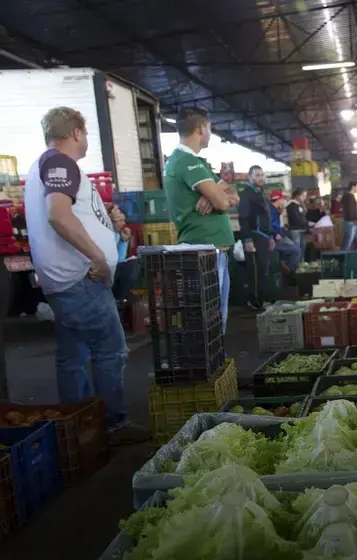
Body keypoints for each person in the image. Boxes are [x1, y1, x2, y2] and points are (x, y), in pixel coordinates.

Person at [24, 106, 140, 441]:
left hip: (64, 282)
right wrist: (98, 258)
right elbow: (59, 216)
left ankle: (77, 428)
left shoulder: (43, 166)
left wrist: (105, 219)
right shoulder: (60, 162)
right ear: (76, 132)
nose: (86, 138)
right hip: (81, 280)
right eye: (85, 133)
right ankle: (113, 424)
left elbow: (68, 212)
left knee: (73, 355)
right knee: (110, 349)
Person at [164, 107, 239, 330]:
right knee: (210, 320)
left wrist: (215, 195)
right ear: (201, 128)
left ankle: (214, 363)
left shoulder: (197, 163)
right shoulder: (187, 162)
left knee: (217, 317)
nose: (209, 133)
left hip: (214, 252)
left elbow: (232, 192)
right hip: (204, 252)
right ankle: (207, 365)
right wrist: (217, 198)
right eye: (209, 128)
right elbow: (224, 203)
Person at [237, 165, 275, 309]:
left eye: (262, 175)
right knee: (255, 271)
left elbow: (266, 217)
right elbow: (244, 218)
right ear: (250, 177)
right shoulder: (247, 194)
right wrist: (247, 239)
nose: (260, 178)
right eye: (257, 175)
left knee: (263, 269)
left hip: (264, 236)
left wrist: (270, 236)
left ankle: (263, 298)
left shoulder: (260, 193)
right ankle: (254, 300)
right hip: (254, 236)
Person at [268, 189, 301, 271]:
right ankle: (291, 272)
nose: (284, 201)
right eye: (282, 199)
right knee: (297, 250)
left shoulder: (274, 209)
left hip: (277, 236)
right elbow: (270, 224)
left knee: (290, 251)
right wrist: (276, 234)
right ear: (278, 200)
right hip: (275, 239)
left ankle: (284, 266)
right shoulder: (271, 210)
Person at [286, 187, 310, 267]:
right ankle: (295, 267)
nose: (304, 198)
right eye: (302, 195)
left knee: (302, 249)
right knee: (297, 249)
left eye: (305, 196)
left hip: (302, 230)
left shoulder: (300, 205)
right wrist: (307, 224)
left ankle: (301, 265)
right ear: (297, 195)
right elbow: (296, 218)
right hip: (295, 230)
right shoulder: (292, 205)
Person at [340, 181, 357, 250]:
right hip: (350, 223)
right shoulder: (350, 197)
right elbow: (350, 211)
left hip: (352, 223)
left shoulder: (347, 196)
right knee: (347, 244)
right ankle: (341, 259)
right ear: (353, 187)